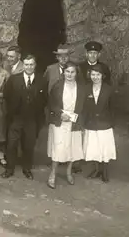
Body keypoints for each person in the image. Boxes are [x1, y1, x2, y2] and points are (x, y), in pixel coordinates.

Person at [1, 54, 47, 180]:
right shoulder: (14, 79)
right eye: (26, 64)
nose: (29, 67)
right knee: (11, 145)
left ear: (35, 65)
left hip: (31, 120)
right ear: (23, 65)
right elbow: (6, 97)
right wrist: (9, 115)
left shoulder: (41, 80)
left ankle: (27, 169)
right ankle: (9, 169)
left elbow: (44, 100)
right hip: (16, 119)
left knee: (28, 145)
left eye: (31, 64)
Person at [47, 61, 86, 189]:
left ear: (76, 73)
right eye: (67, 72)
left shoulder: (81, 87)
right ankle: (53, 173)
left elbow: (83, 106)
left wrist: (77, 117)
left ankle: (68, 172)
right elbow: (51, 103)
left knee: (72, 148)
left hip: (74, 122)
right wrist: (59, 114)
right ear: (64, 72)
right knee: (58, 148)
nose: (69, 74)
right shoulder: (57, 86)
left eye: (72, 72)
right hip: (60, 121)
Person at [83, 64, 116, 183]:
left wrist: (111, 121)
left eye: (98, 75)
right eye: (93, 74)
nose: (95, 77)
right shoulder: (86, 88)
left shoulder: (109, 89)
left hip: (104, 123)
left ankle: (105, 171)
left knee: (104, 147)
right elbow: (84, 107)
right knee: (94, 147)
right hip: (91, 122)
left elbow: (114, 107)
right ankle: (97, 169)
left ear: (102, 76)